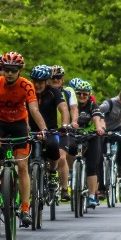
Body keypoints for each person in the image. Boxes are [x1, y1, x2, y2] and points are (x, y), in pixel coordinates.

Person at [0, 52, 49, 227]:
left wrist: (43, 130)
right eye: (6, 69)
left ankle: (26, 209)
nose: (9, 73)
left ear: (19, 70)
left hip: (19, 124)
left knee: (22, 166)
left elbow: (34, 109)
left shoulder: (26, 85)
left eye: (13, 70)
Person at [28, 65, 69, 192]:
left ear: (46, 82)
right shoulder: (28, 90)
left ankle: (52, 172)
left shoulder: (54, 92)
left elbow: (63, 109)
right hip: (30, 130)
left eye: (40, 82)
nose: (37, 85)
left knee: (53, 146)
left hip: (50, 130)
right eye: (35, 81)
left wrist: (65, 125)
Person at [69, 79, 106, 208]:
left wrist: (99, 129)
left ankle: (91, 196)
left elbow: (97, 118)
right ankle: (70, 173)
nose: (82, 96)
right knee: (68, 150)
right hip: (74, 134)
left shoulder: (93, 105)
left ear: (89, 95)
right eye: (79, 94)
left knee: (92, 165)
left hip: (91, 136)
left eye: (85, 94)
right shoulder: (71, 104)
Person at [49, 65, 79, 201]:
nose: (55, 80)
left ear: (63, 79)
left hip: (62, 129)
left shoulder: (68, 91)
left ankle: (64, 188)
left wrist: (73, 122)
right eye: (52, 77)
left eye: (58, 77)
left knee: (61, 157)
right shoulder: (44, 91)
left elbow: (73, 108)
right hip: (46, 129)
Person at [99, 88, 121, 179]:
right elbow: (97, 113)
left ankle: (120, 166)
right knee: (100, 151)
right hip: (104, 130)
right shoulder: (108, 104)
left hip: (116, 129)